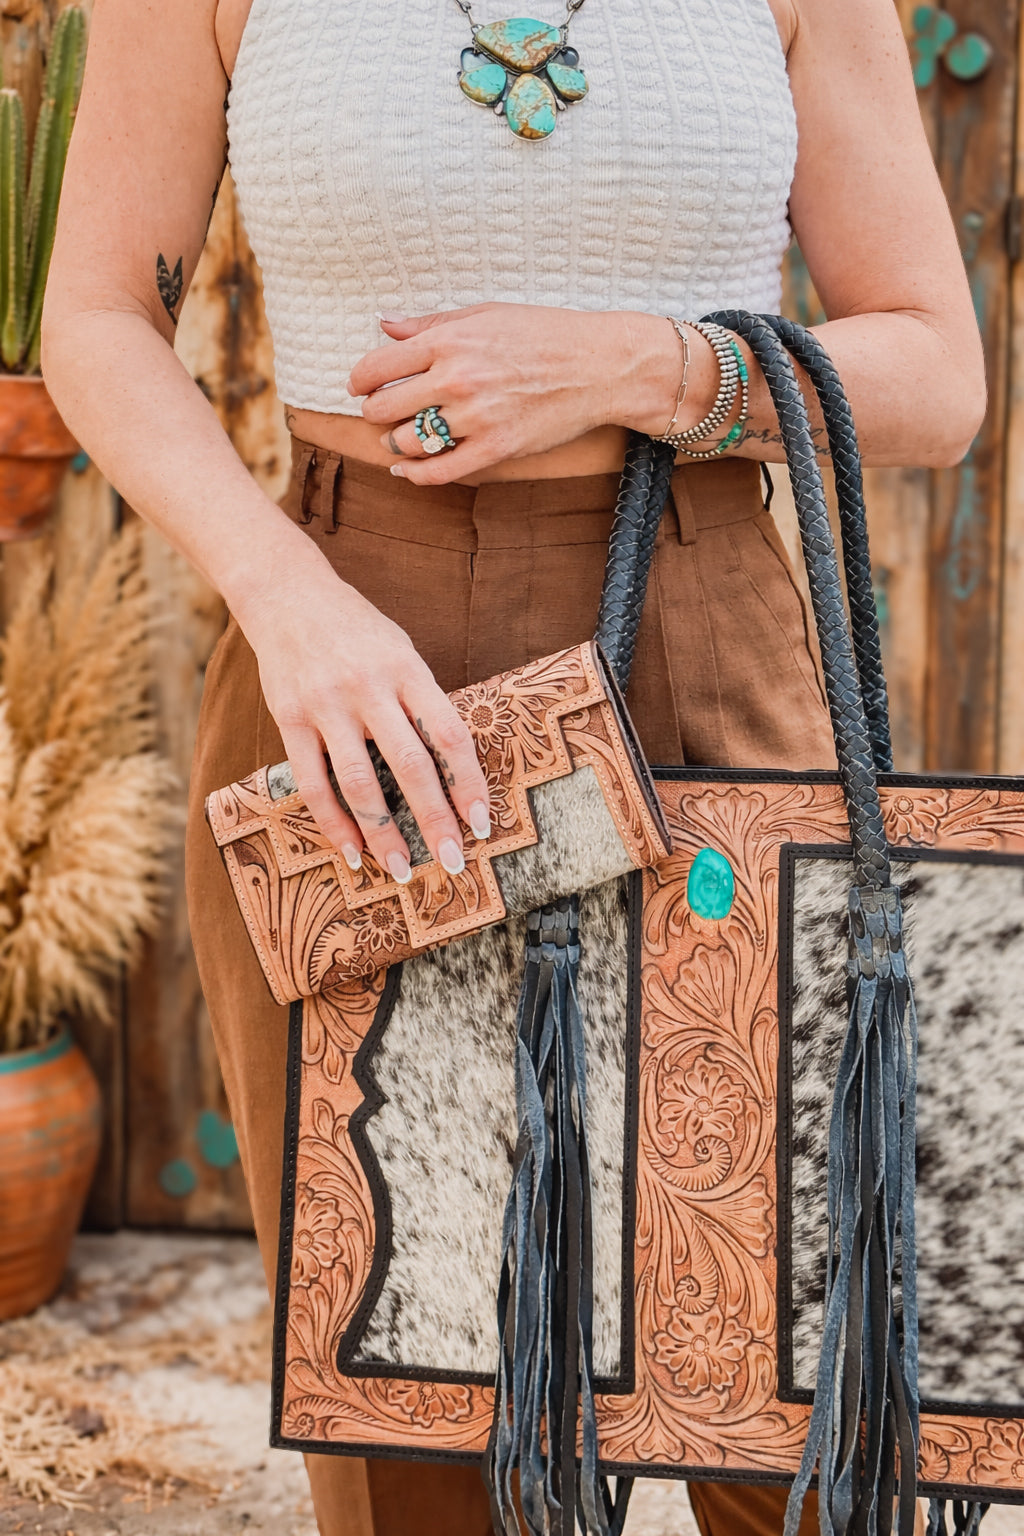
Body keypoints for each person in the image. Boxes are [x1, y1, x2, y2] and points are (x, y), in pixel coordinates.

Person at [41, 0, 984, 1530]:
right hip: (361, 675)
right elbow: (91, 311)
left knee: (796, 1390)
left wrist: (644, 365)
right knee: (422, 1408)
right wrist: (284, 600)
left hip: (713, 638)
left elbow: (940, 374)